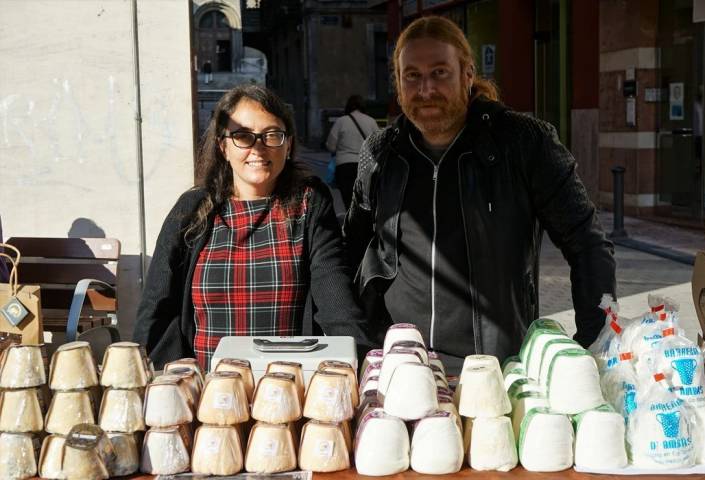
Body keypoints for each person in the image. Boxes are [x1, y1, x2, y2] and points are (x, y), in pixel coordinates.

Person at [343, 16, 616, 375]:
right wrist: (354, 342)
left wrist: (594, 344)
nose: (425, 90)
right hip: (398, 367)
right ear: (398, 82)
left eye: (440, 72)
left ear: (468, 74)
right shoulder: (380, 154)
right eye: (412, 76)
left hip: (492, 369)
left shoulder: (523, 142)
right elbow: (349, 250)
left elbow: (587, 243)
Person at [133, 85, 374, 369]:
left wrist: (365, 369)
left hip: (286, 390)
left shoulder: (308, 204)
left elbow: (337, 303)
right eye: (243, 136)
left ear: (289, 145)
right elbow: (157, 307)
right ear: (223, 146)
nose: (258, 148)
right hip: (208, 393)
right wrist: (170, 388)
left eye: (272, 135)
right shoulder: (193, 209)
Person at [325, 95, 380, 209]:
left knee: (348, 201)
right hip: (366, 167)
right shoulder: (371, 121)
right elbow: (379, 145)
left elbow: (330, 146)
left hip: (344, 166)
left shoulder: (341, 121)